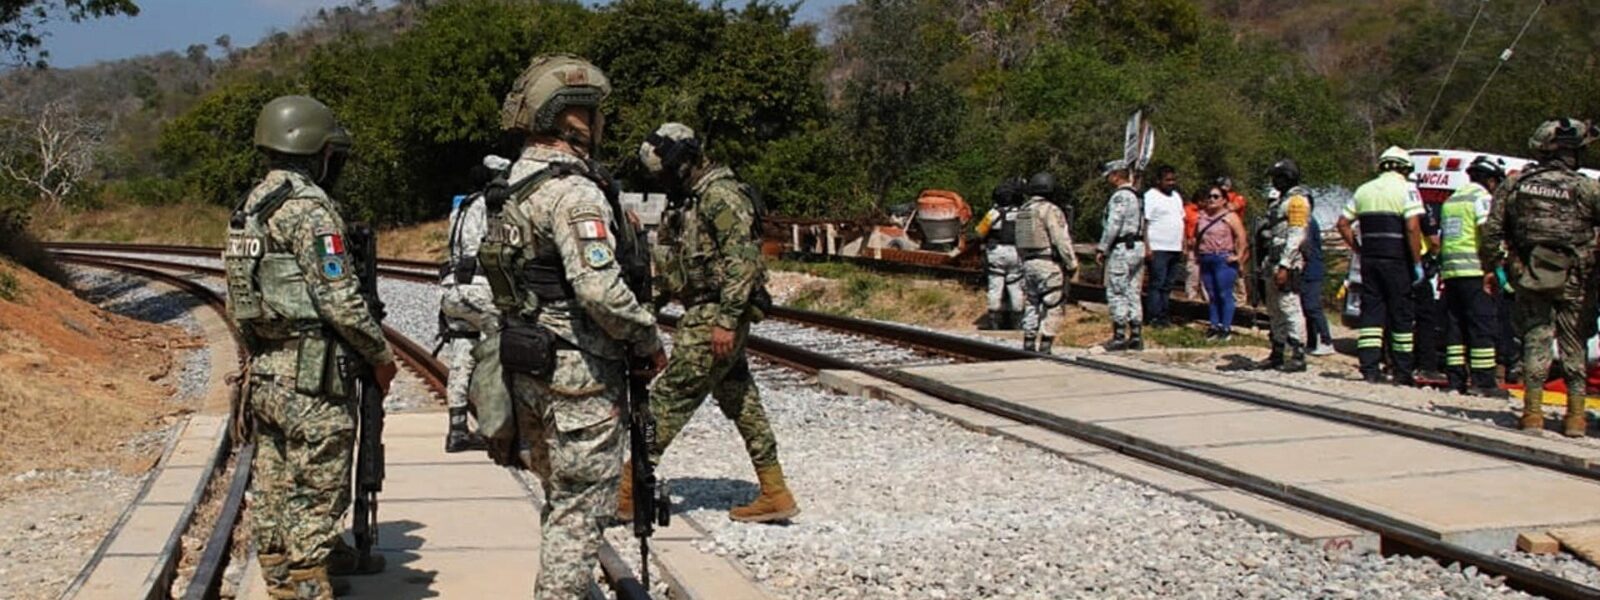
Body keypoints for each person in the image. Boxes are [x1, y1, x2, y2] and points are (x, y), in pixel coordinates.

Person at [482, 54, 666, 597]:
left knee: (560, 501)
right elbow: (599, 289)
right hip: (578, 379)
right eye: (595, 112)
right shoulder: (574, 192)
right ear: (573, 117)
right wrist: (647, 337)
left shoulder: (513, 184)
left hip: (527, 365)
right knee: (580, 510)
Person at [221, 95, 398, 599]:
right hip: (312, 377)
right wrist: (380, 355)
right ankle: (306, 585)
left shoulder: (249, 208)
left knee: (275, 478)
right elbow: (339, 299)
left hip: (267, 370)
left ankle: (278, 571)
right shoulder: (309, 210)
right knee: (318, 485)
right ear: (316, 150)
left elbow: (239, 299)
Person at [625, 122, 799, 523]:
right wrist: (644, 314)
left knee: (665, 401)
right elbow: (670, 270)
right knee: (742, 402)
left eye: (666, 173)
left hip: (713, 316)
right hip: (709, 312)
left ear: (684, 162)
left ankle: (629, 488)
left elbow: (743, 262)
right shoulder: (690, 201)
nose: (663, 182)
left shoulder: (721, 196)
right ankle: (774, 491)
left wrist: (727, 321)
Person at [1481, 118, 1600, 436]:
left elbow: (1492, 232)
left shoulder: (1515, 185)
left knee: (1536, 339)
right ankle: (1576, 418)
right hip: (1577, 279)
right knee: (1575, 344)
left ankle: (1532, 414)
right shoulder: (1588, 188)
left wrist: (1496, 267)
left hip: (1530, 275)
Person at [1337, 146, 1426, 385]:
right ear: (1404, 169)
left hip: (1370, 260)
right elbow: (1412, 227)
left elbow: (1343, 223)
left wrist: (1358, 248)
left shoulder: (1363, 190)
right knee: (1401, 315)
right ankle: (1402, 371)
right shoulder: (1408, 189)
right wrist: (1417, 262)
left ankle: (1369, 368)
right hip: (1397, 260)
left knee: (1372, 314)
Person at [438, 156, 508, 453]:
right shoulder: (490, 207)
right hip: (478, 290)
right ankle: (494, 426)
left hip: (452, 290)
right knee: (498, 350)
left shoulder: (460, 207)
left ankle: (457, 430)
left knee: (462, 357)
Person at [1437, 156, 1507, 397]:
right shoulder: (1481, 198)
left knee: (1455, 327)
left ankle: (1456, 380)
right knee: (1482, 325)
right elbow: (1487, 234)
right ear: (1490, 180)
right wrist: (1494, 267)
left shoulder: (1452, 200)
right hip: (1475, 271)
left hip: (1451, 272)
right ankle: (1483, 382)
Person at [1250, 159, 1311, 372]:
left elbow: (1296, 234)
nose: (1274, 182)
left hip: (1288, 261)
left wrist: (1285, 265)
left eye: (1277, 177)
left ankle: (1298, 354)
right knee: (1274, 308)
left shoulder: (1297, 201)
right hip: (1272, 259)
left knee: (1289, 306)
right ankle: (1277, 351)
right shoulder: (1279, 201)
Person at [1016, 171, 1079, 352]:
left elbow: (1018, 240)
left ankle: (1029, 340)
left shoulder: (1023, 210)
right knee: (1053, 303)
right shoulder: (1050, 210)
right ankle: (1045, 343)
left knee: (1032, 302)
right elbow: (1061, 239)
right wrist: (1072, 263)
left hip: (1028, 263)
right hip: (1048, 263)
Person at [1097, 160, 1146, 351]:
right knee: (1133, 291)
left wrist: (1103, 248)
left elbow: (1114, 224)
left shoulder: (1120, 196)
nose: (1108, 179)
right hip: (1137, 246)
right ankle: (1136, 334)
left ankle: (1119, 335)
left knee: (1117, 291)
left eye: (1110, 176)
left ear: (1116, 175)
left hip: (1123, 247)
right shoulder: (1138, 195)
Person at [1191, 184, 1247, 339]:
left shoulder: (1230, 217)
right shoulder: (1202, 216)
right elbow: (1196, 236)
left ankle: (1226, 327)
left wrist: (1239, 256)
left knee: (1224, 293)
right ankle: (1214, 325)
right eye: (1209, 196)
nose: (1212, 199)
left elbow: (1242, 236)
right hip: (1206, 257)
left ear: (1224, 200)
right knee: (1212, 294)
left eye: (1216, 196)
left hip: (1223, 258)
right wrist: (1196, 253)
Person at [976, 178, 1026, 330]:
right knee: (1016, 287)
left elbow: (979, 232)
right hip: (1016, 252)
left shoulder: (993, 213)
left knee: (995, 287)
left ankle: (994, 321)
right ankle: (1018, 322)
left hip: (996, 252)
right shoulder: (1022, 213)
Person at [1142, 165, 1185, 327]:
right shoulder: (1150, 196)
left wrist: (1183, 244)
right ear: (1158, 180)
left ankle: (1164, 316)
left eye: (1173, 179)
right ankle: (1153, 316)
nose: (1171, 183)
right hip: (1158, 247)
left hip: (1174, 247)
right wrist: (1147, 246)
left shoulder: (1176, 196)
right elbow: (1145, 223)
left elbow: (1181, 220)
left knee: (1168, 285)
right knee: (1157, 283)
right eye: (1167, 180)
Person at [1301, 198, 1336, 356]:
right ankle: (1311, 342)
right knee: (1306, 308)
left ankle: (1326, 341)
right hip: (1306, 270)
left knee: (1312, 306)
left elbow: (1305, 245)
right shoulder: (1304, 222)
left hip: (1312, 269)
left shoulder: (1308, 223)